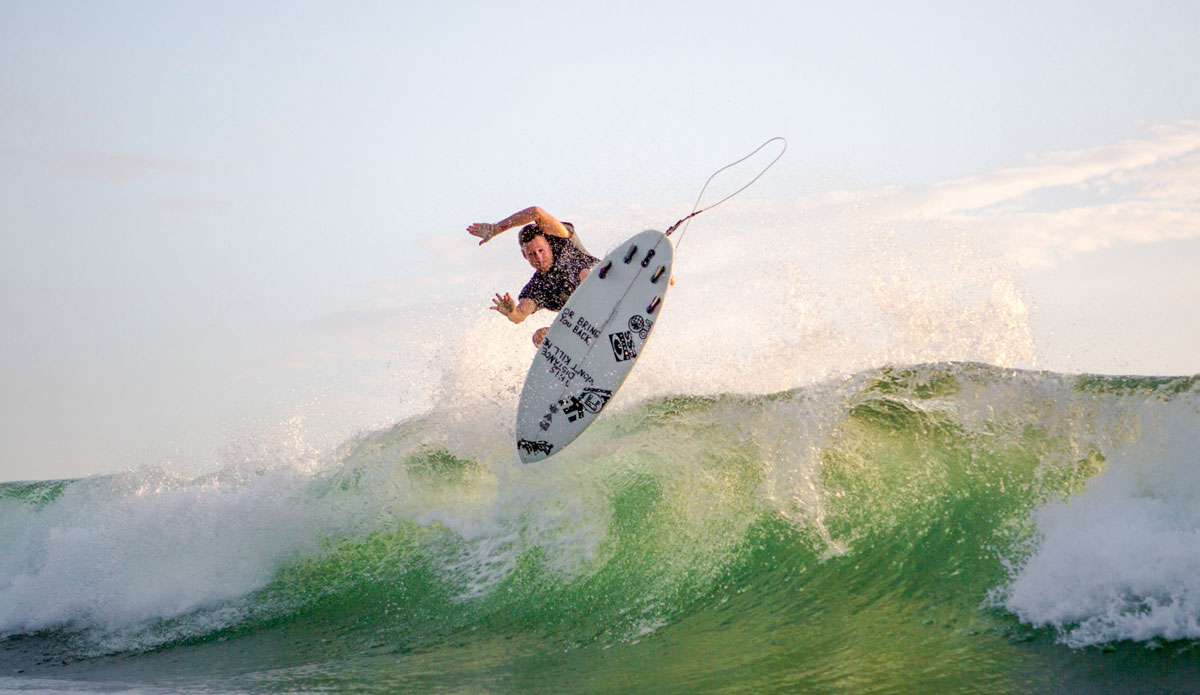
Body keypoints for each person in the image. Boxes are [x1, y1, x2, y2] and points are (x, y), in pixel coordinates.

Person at [468, 206, 599, 346]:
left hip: (609, 286)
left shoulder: (563, 241)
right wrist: (511, 312)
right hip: (585, 326)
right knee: (539, 337)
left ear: (549, 244)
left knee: (585, 274)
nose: (539, 257)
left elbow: (536, 212)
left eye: (541, 250)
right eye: (532, 254)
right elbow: (520, 315)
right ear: (525, 256)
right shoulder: (537, 287)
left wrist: (496, 229)